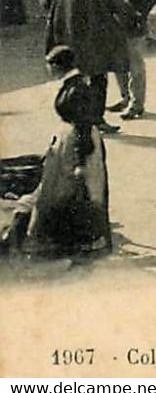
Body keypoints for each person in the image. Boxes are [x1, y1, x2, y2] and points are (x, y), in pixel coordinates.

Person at [24, 47, 111, 256]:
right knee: (64, 188)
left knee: (78, 189)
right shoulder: (74, 84)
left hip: (77, 142)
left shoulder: (77, 89)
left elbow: (82, 125)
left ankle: (86, 238)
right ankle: (70, 237)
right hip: (69, 140)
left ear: (56, 66)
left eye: (50, 65)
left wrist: (81, 161)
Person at [39, 0, 134, 135]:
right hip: (95, 41)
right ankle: (97, 120)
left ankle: (73, 117)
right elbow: (121, 6)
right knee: (99, 80)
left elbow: (44, 0)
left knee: (73, 78)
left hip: (68, 40)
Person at [105, 0, 156, 120]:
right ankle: (125, 97)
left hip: (134, 25)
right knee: (118, 63)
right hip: (115, 24)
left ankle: (137, 104)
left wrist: (139, 14)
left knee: (135, 66)